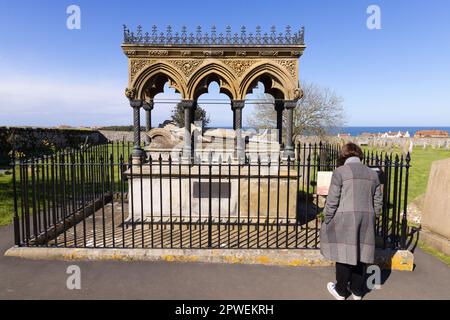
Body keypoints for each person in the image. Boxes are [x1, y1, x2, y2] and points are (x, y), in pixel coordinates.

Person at [320, 142, 383, 300]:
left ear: (344, 155)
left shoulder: (340, 172)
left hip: (345, 218)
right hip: (366, 218)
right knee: (362, 255)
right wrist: (374, 216)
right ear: (359, 155)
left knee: (343, 255)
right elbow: (378, 202)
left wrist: (327, 217)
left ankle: (341, 291)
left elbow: (332, 200)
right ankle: (357, 291)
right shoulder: (372, 174)